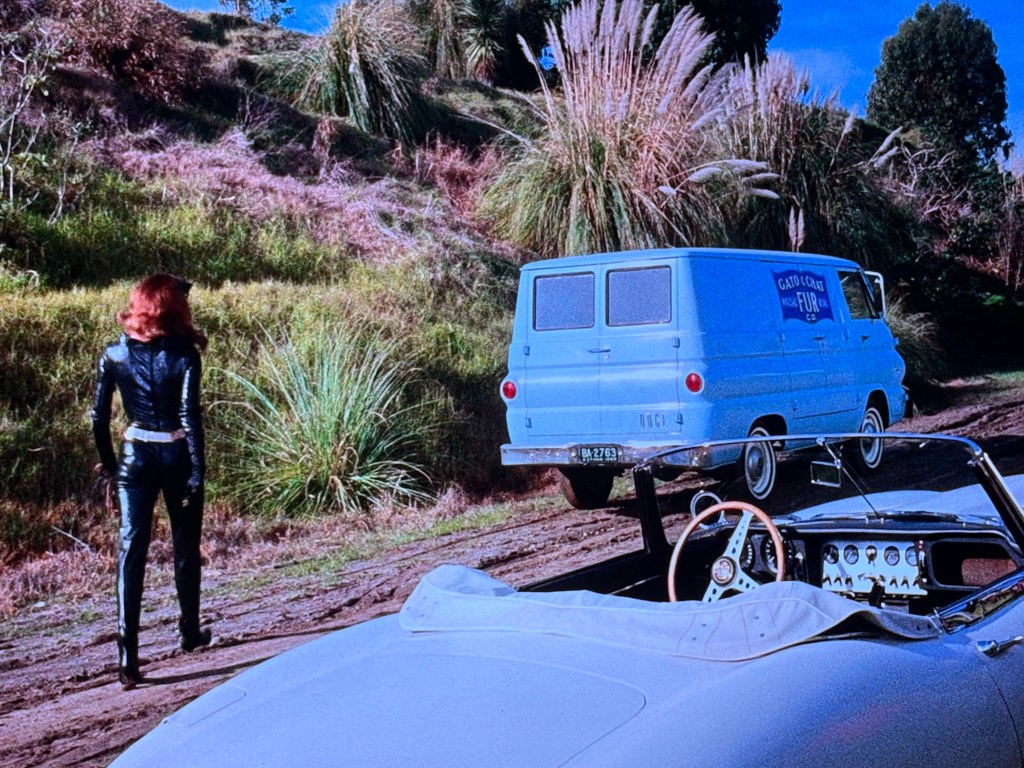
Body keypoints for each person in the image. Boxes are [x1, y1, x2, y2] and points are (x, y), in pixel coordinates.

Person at [91, 274, 211, 690]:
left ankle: (128, 657)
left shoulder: (114, 354)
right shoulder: (185, 355)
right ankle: (190, 631)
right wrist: (198, 469)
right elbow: (189, 416)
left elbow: (98, 417)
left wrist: (110, 465)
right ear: (174, 308)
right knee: (185, 548)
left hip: (135, 455)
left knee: (131, 551)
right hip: (175, 453)